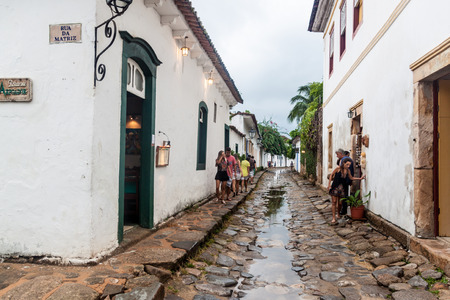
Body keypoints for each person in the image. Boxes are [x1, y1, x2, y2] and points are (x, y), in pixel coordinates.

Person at [328, 157, 365, 224]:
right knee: (334, 202)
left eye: (349, 165)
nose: (348, 166)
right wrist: (329, 185)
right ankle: (333, 218)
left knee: (340, 203)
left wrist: (360, 178)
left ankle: (338, 214)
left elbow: (351, 178)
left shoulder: (348, 171)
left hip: (342, 189)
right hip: (335, 187)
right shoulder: (338, 169)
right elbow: (331, 175)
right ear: (343, 163)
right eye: (347, 164)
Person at [335, 149, 355, 216]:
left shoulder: (344, 160)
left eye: (337, 154)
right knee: (344, 194)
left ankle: (344, 210)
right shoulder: (347, 159)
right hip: (347, 180)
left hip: (344, 180)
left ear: (341, 153)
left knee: (344, 195)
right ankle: (344, 209)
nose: (337, 156)